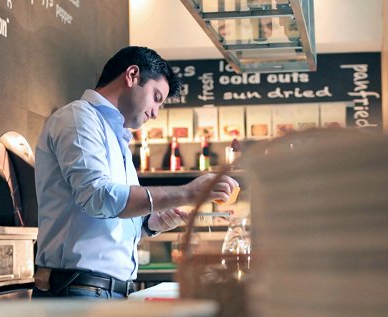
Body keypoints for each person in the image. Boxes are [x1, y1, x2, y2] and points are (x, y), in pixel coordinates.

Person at [32, 46, 239, 300]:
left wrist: (150, 224)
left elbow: (106, 217)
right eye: (156, 97)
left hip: (103, 290)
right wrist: (187, 192)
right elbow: (99, 198)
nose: (155, 113)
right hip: (78, 289)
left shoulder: (116, 136)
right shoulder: (78, 118)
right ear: (132, 75)